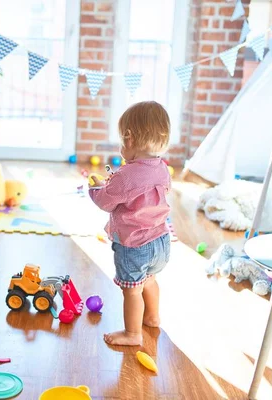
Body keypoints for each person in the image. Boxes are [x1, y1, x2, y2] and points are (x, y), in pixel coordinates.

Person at [89, 101, 172, 346]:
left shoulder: (125, 176)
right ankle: (153, 317)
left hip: (134, 246)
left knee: (132, 289)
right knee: (150, 280)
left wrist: (96, 187)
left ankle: (133, 334)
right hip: (161, 242)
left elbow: (106, 202)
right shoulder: (161, 168)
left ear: (130, 139)